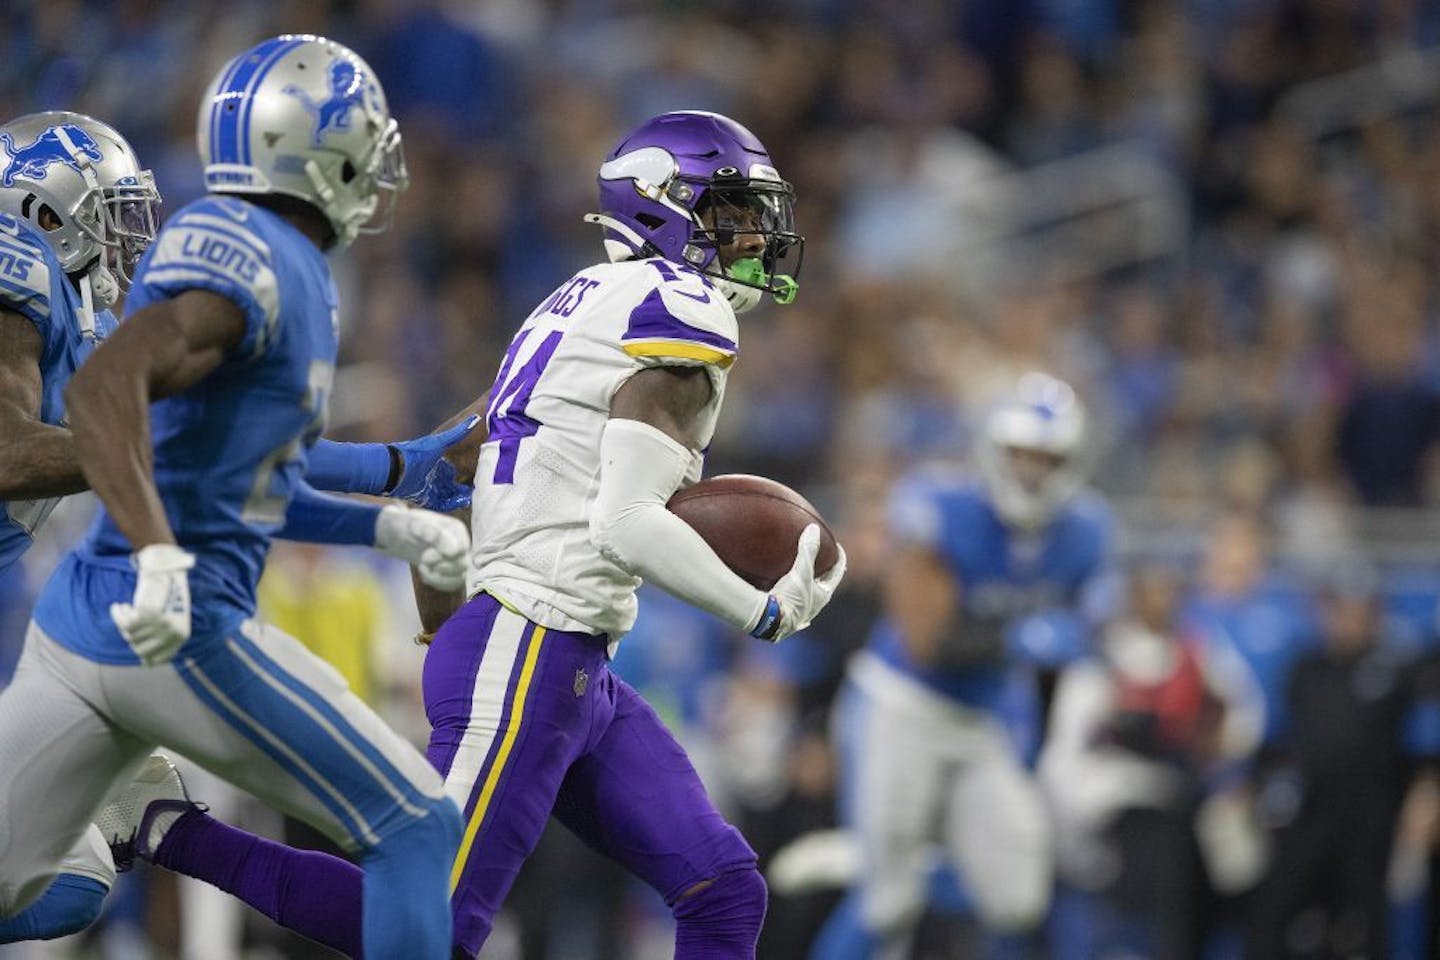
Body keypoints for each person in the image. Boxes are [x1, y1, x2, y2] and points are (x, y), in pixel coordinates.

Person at [106, 108, 846, 959]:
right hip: (531, 640)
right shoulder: (681, 304)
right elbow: (628, 523)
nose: (753, 235)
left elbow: (445, 467)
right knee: (429, 928)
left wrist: (440, 622)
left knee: (723, 888)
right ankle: (169, 829)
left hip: (561, 655)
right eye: (730, 212)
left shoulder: (580, 300)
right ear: (659, 207)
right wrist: (763, 613)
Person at [0, 35, 472, 959]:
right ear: (41, 220)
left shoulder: (89, 333)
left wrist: (402, 470)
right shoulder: (17, 270)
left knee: (75, 884)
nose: (132, 241)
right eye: (108, 216)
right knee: (413, 822)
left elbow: (228, 460)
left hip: (50, 630)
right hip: (104, 625)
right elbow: (10, 453)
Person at [812, 373, 1114, 959]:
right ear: (992, 449)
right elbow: (928, 639)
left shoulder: (1086, 531)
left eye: (1047, 457)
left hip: (984, 721)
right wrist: (1023, 634)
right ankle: (892, 861)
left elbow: (1090, 631)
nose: (1031, 469)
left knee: (1017, 899)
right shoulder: (940, 505)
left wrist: (1071, 641)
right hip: (903, 707)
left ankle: (913, 856)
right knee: (887, 904)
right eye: (1020, 453)